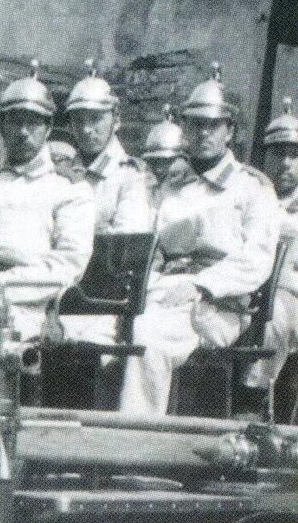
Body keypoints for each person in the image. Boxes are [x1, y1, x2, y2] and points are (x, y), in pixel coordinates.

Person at [119, 66, 280, 416]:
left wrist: (202, 284)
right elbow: (153, 250)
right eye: (195, 124)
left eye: (213, 125)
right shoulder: (172, 186)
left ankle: (135, 445)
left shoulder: (253, 188)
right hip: (163, 292)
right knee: (104, 331)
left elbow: (256, 259)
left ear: (230, 131)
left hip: (220, 305)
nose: (203, 132)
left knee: (149, 339)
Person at [0, 63, 95, 345]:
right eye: (15, 121)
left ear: (48, 127)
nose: (23, 132)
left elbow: (68, 263)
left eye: (33, 122)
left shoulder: (69, 190)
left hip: (23, 305)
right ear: (1, 124)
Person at [63, 63, 152, 235]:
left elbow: (126, 245)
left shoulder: (130, 177)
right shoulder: (62, 173)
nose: (86, 129)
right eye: (78, 120)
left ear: (116, 120)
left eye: (96, 119)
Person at [248, 101, 298, 394]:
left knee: (277, 319)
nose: (286, 164)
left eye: (294, 156)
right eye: (279, 154)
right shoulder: (252, 194)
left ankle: (253, 395)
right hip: (247, 288)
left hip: (290, 294)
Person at [140, 114, 191, 200]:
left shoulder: (193, 192)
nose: (159, 169)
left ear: (183, 160)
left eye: (166, 162)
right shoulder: (143, 192)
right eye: (154, 162)